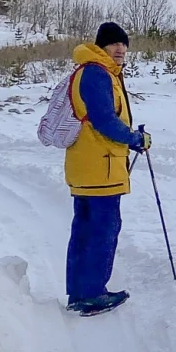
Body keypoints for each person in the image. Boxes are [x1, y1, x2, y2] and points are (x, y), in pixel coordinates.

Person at [63, 21, 149, 315]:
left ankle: (79, 292)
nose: (121, 49)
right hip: (100, 166)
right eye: (114, 43)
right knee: (102, 230)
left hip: (88, 165)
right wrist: (134, 138)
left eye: (124, 44)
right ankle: (92, 294)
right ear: (101, 46)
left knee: (86, 229)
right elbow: (104, 120)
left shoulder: (92, 71)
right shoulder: (97, 74)